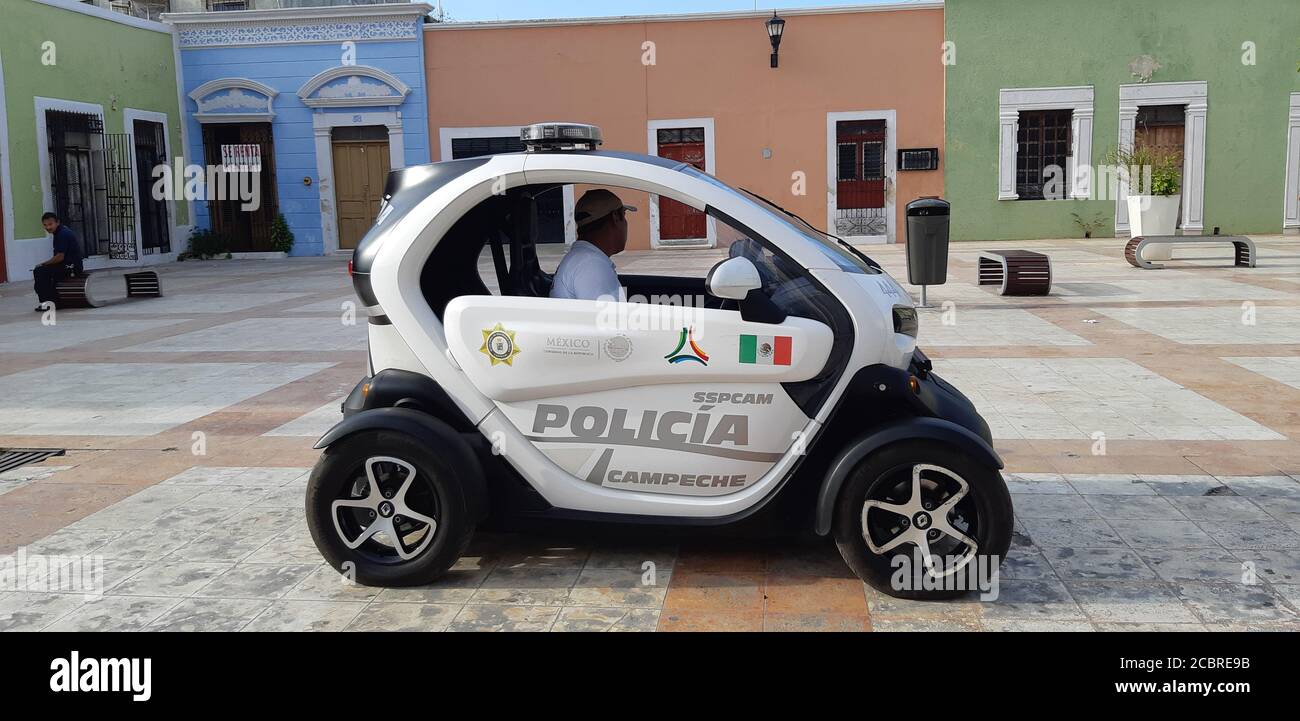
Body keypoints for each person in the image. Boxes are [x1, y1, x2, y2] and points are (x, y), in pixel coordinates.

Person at [549, 189, 636, 301]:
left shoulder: (583, 259)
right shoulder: (591, 265)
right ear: (615, 218)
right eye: (623, 215)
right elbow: (607, 317)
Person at [33, 212, 83, 311]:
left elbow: (60, 257)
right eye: (45, 225)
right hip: (66, 265)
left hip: (72, 267)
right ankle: (54, 302)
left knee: (40, 271)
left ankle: (49, 303)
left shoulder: (62, 234)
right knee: (42, 273)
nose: (48, 227)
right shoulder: (59, 232)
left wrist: (44, 264)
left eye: (50, 224)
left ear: (57, 222)